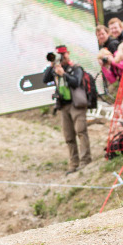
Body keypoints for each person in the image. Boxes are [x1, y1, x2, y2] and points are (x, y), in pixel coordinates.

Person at [42, 46, 90, 174]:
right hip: (63, 106)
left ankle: (86, 160)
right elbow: (45, 79)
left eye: (63, 54)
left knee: (81, 131)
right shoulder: (55, 69)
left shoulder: (75, 68)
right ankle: (73, 163)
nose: (62, 57)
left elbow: (76, 81)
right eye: (59, 55)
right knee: (69, 136)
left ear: (68, 54)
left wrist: (64, 74)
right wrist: (52, 65)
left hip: (76, 104)